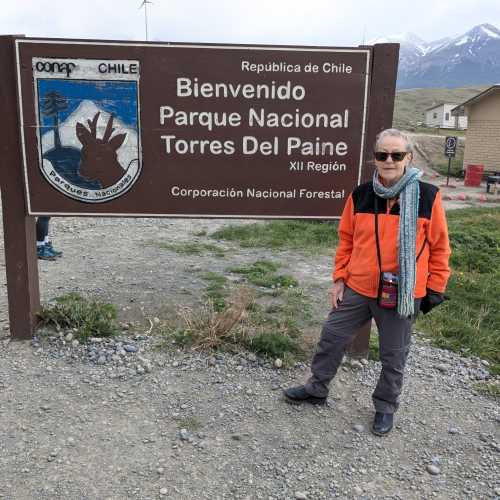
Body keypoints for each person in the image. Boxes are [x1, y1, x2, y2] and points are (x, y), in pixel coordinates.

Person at [284, 128, 451, 436]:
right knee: (332, 336)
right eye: (382, 154)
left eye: (396, 155)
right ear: (375, 159)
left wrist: (435, 287)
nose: (389, 160)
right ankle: (317, 388)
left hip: (401, 292)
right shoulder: (361, 194)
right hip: (358, 286)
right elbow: (346, 240)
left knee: (393, 353)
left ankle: (385, 408)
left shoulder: (427, 196)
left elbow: (440, 246)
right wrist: (339, 279)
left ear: (408, 158)